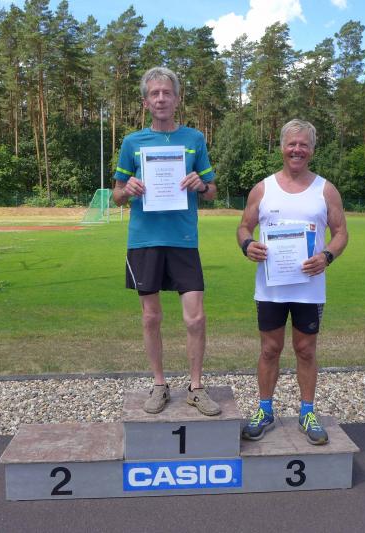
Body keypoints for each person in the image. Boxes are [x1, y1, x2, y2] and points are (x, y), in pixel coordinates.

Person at [112, 66, 221, 416]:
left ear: (176, 99)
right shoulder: (133, 142)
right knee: (151, 317)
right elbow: (116, 194)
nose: (161, 99)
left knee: (196, 318)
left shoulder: (194, 139)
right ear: (146, 102)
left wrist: (200, 185)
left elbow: (212, 191)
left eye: (166, 93)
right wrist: (127, 189)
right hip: (144, 240)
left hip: (183, 240)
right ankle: (159, 385)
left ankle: (196, 387)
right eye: (154, 94)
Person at [236, 119, 348, 444]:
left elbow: (341, 233)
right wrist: (247, 245)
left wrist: (327, 256)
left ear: (312, 150)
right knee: (270, 349)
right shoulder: (263, 188)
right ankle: (264, 410)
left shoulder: (325, 190)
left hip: (308, 289)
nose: (297, 150)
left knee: (306, 350)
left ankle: (307, 412)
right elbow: (243, 227)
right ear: (282, 148)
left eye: (303, 145)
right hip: (270, 287)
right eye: (292, 144)